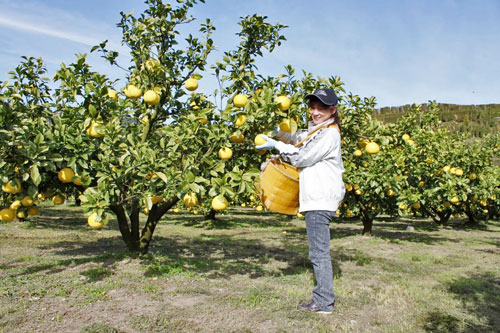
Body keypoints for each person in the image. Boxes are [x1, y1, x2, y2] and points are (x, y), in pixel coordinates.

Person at [256, 88, 345, 314]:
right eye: (312, 107)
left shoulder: (330, 134)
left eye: (321, 108)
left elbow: (302, 156)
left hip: (320, 200)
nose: (315, 112)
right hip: (317, 199)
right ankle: (324, 300)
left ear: (333, 109)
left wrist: (277, 146)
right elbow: (300, 139)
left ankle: (324, 303)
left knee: (319, 253)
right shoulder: (319, 130)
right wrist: (281, 135)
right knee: (318, 251)